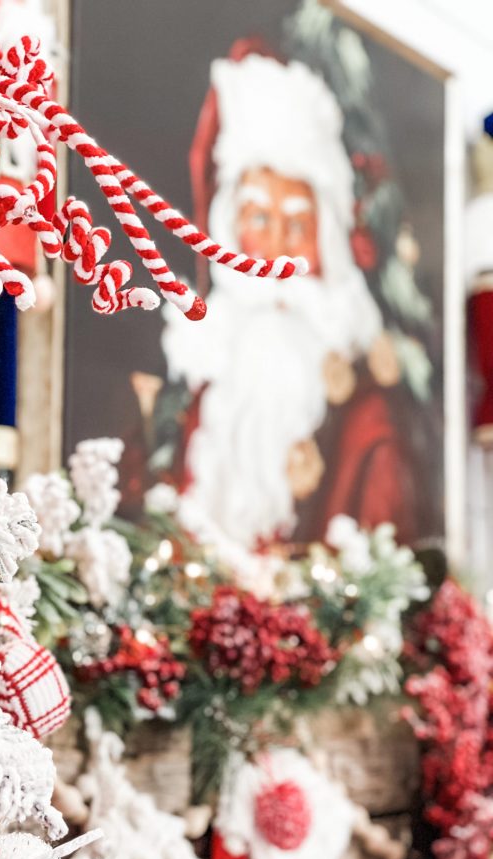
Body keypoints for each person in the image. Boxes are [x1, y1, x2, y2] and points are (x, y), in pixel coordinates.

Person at [160, 49, 417, 551]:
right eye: (258, 219)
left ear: (328, 244)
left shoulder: (369, 429)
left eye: (298, 225)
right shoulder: (194, 374)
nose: (276, 250)